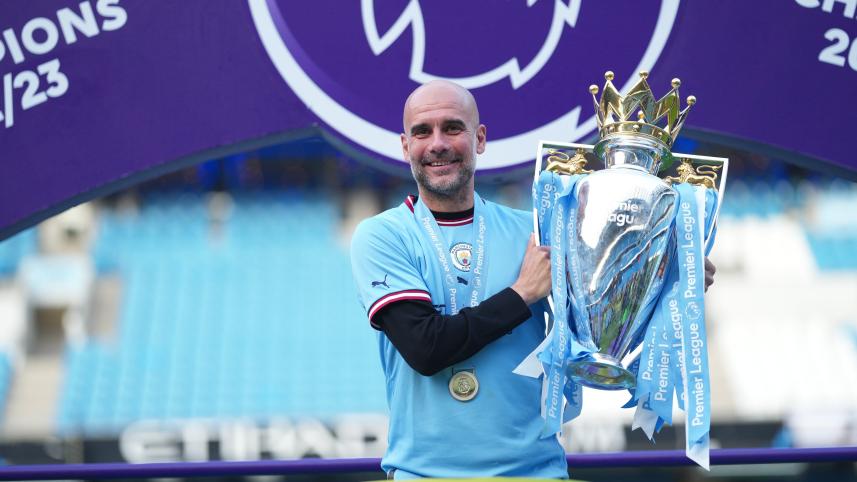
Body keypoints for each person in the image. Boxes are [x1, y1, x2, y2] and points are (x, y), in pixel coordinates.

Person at [350, 80, 716, 479]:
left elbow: (595, 328)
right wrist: (522, 293)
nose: (437, 143)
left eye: (453, 128)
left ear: (480, 138)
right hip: (423, 474)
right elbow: (426, 349)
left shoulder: (539, 231)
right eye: (423, 131)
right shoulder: (383, 236)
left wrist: (665, 282)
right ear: (406, 146)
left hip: (534, 472)